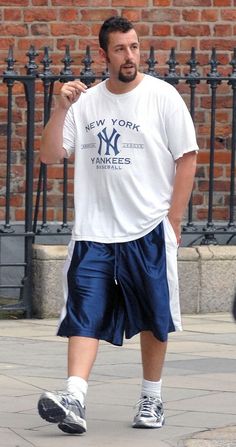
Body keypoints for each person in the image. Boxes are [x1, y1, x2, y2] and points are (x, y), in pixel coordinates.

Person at [37, 15, 198, 434]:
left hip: (147, 227)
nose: (130, 56)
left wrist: (173, 221)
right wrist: (59, 110)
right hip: (94, 230)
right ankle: (75, 397)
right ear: (103, 54)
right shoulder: (85, 103)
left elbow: (187, 157)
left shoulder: (162, 97)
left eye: (135, 46)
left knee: (153, 317)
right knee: (83, 313)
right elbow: (51, 155)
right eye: (121, 49)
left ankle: (151, 398)